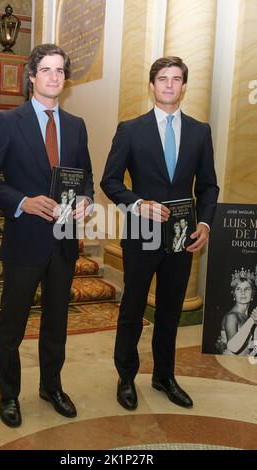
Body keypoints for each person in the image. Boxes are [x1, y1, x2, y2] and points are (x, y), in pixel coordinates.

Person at [0, 43, 94, 427]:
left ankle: (51, 386)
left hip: (63, 241)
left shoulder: (76, 125)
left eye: (60, 71)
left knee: (56, 322)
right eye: (46, 70)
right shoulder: (8, 122)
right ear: (31, 77)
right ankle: (9, 395)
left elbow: (86, 177)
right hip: (24, 240)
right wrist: (22, 201)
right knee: (12, 326)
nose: (54, 77)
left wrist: (88, 200)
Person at [101, 56, 219, 410]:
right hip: (141, 235)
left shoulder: (200, 131)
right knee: (132, 309)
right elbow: (109, 180)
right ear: (152, 86)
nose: (169, 84)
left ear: (184, 86)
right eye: (162, 78)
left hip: (183, 238)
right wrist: (137, 204)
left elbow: (209, 186)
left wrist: (205, 223)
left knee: (169, 312)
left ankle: (164, 376)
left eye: (176, 78)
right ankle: (126, 375)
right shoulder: (130, 129)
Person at [216, 269, 257, 355]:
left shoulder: (248, 316)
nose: (243, 292)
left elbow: (251, 347)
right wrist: (252, 320)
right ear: (233, 294)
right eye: (238, 289)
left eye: (247, 289)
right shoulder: (231, 316)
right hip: (231, 363)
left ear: (252, 293)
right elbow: (233, 348)